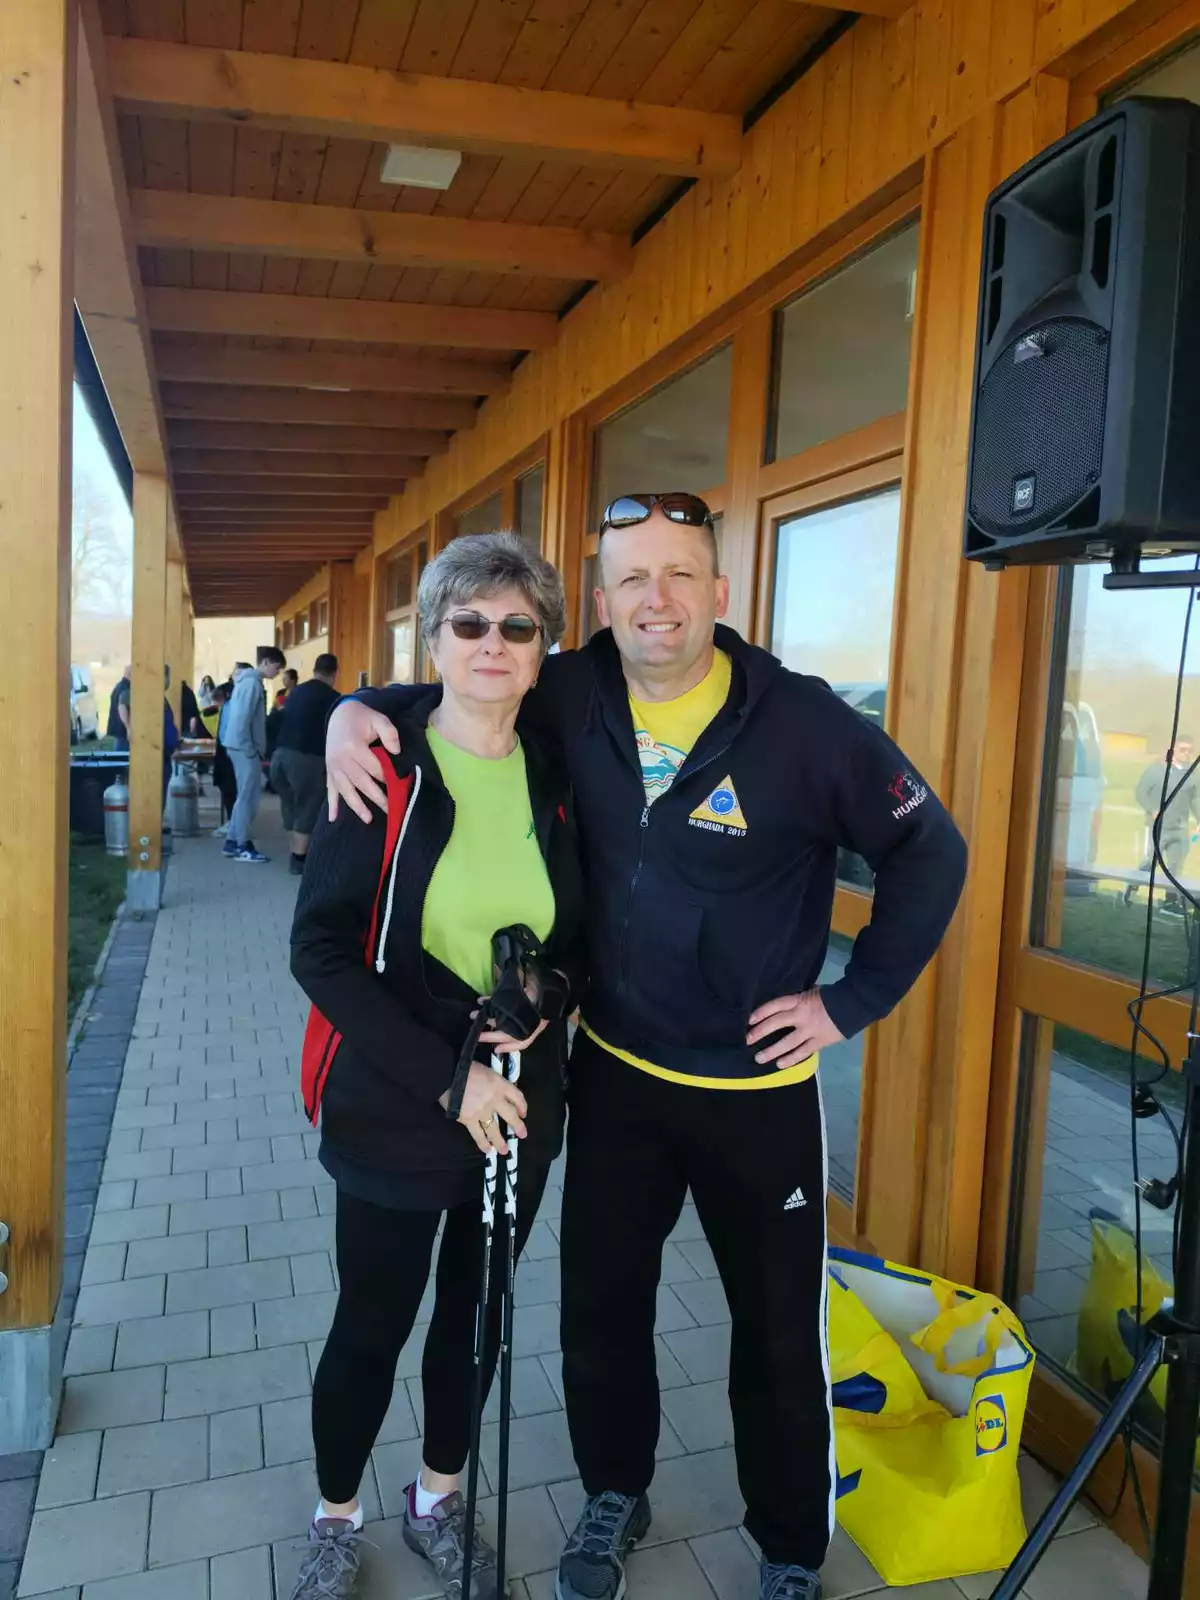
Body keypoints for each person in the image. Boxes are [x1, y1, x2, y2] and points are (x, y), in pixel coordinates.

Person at [327, 493, 968, 1600]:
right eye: (632, 578)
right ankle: (614, 1491)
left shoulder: (805, 723)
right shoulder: (575, 688)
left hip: (758, 1091)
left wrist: (850, 1001)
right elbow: (465, 676)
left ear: (720, 592)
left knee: (776, 1330)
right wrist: (350, 710)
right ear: (604, 602)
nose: (655, 599)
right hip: (618, 1076)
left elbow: (932, 850)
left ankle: (789, 1545)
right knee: (603, 1309)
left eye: (678, 575)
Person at [287, 534, 583, 1600]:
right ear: (434, 639)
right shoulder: (381, 767)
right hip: (399, 1099)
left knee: (475, 1318)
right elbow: (318, 949)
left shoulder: (556, 772)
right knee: (373, 1322)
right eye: (469, 624)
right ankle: (334, 1516)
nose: (492, 643)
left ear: (543, 651)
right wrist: (450, 1079)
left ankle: (438, 1499)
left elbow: (582, 937)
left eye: (517, 626)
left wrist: (549, 998)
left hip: (520, 1105)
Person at [270, 653, 340, 876]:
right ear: (334, 674)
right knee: (308, 807)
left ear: (315, 670)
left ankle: (295, 851)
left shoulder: (296, 692)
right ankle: (299, 860)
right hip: (306, 759)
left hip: (279, 757)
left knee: (291, 806)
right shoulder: (333, 698)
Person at [221, 645, 286, 863]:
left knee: (246, 797)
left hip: (241, 746)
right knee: (247, 799)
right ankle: (242, 845)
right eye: (276, 667)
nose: (277, 672)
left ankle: (232, 842)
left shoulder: (249, 682)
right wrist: (251, 750)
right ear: (265, 662)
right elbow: (242, 719)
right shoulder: (251, 684)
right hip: (244, 748)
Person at [1129, 735, 1200, 913]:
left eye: (1190, 751)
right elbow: (1140, 792)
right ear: (1173, 750)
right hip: (1159, 828)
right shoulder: (1156, 770)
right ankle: (1131, 889)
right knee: (1150, 862)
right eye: (1183, 750)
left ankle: (1170, 903)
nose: (1186, 754)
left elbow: (1195, 801)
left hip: (1180, 829)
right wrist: (1152, 810)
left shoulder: (1192, 776)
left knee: (1175, 866)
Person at [210, 682, 238, 836]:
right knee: (226, 786)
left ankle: (233, 821)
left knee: (230, 788)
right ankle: (231, 819)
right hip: (223, 750)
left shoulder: (232, 707)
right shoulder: (227, 706)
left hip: (229, 751)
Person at [109, 664, 131, 752]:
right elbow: (122, 706)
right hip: (124, 730)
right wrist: (128, 727)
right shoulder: (126, 688)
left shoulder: (119, 686)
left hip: (119, 728)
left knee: (119, 753)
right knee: (123, 755)